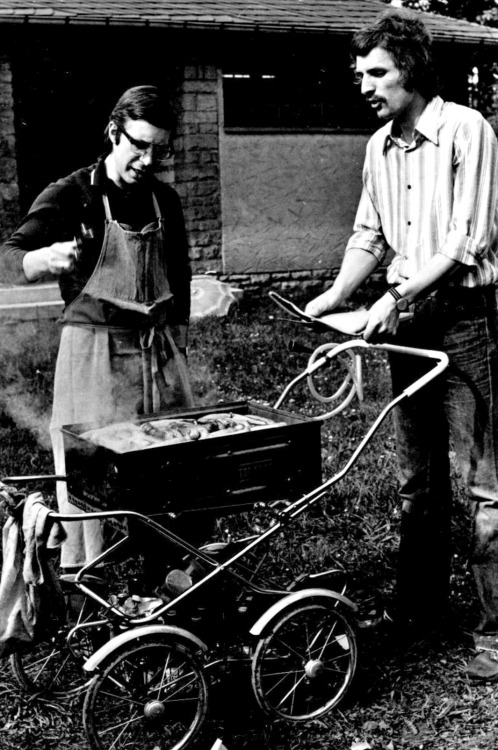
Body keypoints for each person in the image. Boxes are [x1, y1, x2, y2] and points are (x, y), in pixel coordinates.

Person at [305, 10, 498, 681]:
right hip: (411, 326)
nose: (365, 85)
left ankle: (493, 631)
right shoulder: (377, 148)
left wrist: (391, 300)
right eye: (360, 74)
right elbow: (369, 236)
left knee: (487, 483)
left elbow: (462, 245)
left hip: (467, 322)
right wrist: (335, 296)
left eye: (377, 72)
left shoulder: (466, 131)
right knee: (419, 478)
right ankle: (417, 608)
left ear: (410, 70)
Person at [0, 85, 193, 573]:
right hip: (94, 353)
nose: (149, 160)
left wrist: (179, 343)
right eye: (139, 145)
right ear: (113, 132)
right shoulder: (72, 195)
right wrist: (40, 259)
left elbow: (181, 277)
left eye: (160, 150)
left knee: (170, 467)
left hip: (157, 350)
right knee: (91, 474)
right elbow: (6, 256)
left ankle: (165, 576)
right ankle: (90, 580)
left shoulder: (164, 200)